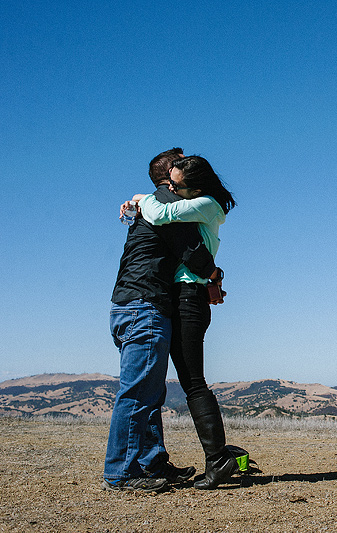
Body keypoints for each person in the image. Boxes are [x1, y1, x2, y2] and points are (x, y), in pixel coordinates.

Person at [104, 148, 223, 492]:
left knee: (150, 393)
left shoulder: (151, 208)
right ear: (171, 175)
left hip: (129, 304)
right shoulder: (164, 212)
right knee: (138, 394)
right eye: (182, 163)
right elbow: (193, 251)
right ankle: (121, 473)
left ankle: (152, 461)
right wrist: (214, 276)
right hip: (145, 306)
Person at [129, 155, 243, 490]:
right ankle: (218, 457)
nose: (171, 189)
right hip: (187, 296)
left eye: (176, 185)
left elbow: (160, 212)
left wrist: (142, 198)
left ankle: (218, 458)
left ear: (194, 187)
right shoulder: (196, 203)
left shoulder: (206, 204)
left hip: (190, 298)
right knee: (190, 379)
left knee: (193, 381)